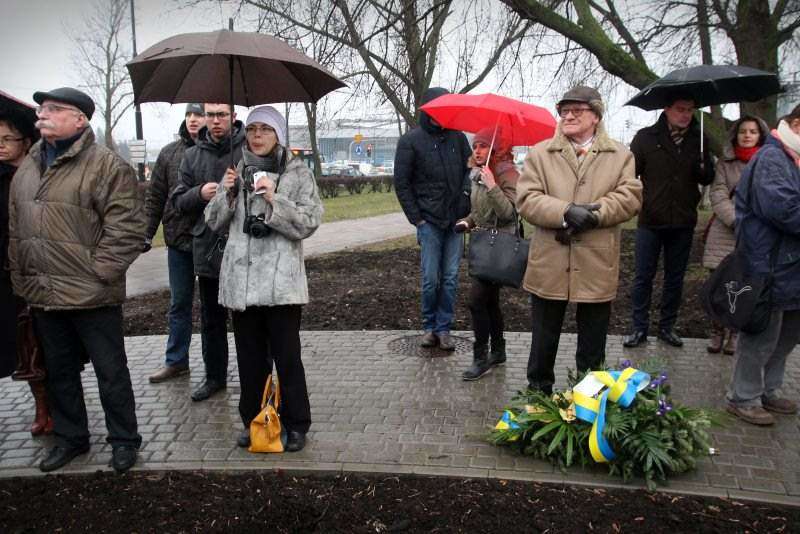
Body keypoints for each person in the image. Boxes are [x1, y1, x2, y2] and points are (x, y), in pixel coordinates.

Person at [8, 87, 145, 472]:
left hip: (92, 295)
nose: (42, 115)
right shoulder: (30, 165)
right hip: (43, 293)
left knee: (110, 373)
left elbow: (127, 228)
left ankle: (124, 440)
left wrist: (100, 273)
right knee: (59, 373)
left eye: (54, 109)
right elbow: (16, 227)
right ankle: (71, 439)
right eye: (41, 109)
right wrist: (22, 278)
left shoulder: (106, 165)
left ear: (80, 119)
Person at [205, 106, 321, 452]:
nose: (257, 136)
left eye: (265, 130)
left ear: (278, 135)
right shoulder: (236, 169)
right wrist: (226, 194)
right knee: (250, 360)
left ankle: (296, 422)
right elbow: (212, 221)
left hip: (281, 286)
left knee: (288, 358)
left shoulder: (298, 172)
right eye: (252, 129)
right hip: (242, 283)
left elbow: (309, 221)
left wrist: (274, 198)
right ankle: (253, 419)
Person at [516, 86, 642, 395]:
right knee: (543, 337)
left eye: (577, 110)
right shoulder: (540, 153)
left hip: (597, 261)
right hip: (550, 260)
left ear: (596, 116)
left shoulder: (621, 155)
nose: (568, 116)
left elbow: (629, 197)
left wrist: (595, 215)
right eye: (564, 111)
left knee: (593, 342)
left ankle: (589, 397)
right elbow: (527, 199)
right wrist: (565, 212)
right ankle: (538, 395)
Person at [725, 104, 800, 426]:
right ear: (796, 125)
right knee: (761, 335)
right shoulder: (772, 158)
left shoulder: (792, 158)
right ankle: (743, 396)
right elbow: (784, 210)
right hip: (769, 265)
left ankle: (768, 388)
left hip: (789, 266)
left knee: (787, 336)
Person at [623, 94, 714, 348]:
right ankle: (638, 328)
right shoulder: (645, 138)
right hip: (651, 220)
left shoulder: (699, 139)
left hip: (683, 220)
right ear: (667, 109)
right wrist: (637, 201)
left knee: (675, 278)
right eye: (680, 109)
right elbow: (629, 176)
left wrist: (705, 169)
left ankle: (667, 327)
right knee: (643, 277)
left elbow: (708, 178)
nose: (685, 115)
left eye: (690, 110)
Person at [171, 103, 245, 402]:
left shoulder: (247, 149)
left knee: (248, 320)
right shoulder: (191, 155)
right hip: (208, 247)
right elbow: (178, 201)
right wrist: (199, 192)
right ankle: (214, 376)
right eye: (211, 115)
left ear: (233, 117)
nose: (215, 121)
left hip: (243, 246)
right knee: (212, 320)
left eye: (221, 115)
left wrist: (238, 187)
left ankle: (256, 376)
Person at [394, 87, 471, 350]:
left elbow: (468, 171)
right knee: (431, 279)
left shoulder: (458, 138)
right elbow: (402, 183)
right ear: (427, 109)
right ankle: (429, 327)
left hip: (455, 221)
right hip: (428, 222)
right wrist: (417, 219)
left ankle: (443, 328)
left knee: (450, 278)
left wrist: (465, 195)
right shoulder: (410, 141)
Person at [144, 103, 206, 383]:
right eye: (189, 114)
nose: (193, 119)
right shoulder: (169, 153)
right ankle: (176, 361)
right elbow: (156, 196)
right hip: (178, 240)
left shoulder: (218, 151)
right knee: (179, 304)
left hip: (210, 241)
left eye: (199, 114)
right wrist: (147, 233)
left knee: (213, 309)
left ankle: (215, 367)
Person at [0, 107, 52, 436]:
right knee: (25, 347)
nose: (1, 145)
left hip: (43, 272)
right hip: (9, 277)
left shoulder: (41, 174)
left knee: (48, 344)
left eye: (8, 138)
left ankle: (56, 405)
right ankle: (42, 405)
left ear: (26, 141)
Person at [454, 126, 519, 380]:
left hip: (499, 248)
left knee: (476, 301)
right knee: (490, 301)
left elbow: (509, 213)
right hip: (483, 246)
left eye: (483, 145)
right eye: (475, 146)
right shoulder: (478, 173)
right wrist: (467, 222)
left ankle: (480, 359)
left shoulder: (507, 173)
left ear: (495, 148)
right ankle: (498, 350)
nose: (477, 151)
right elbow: (479, 212)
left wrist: (492, 185)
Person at [701, 115, 769, 355]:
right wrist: (736, 220)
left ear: (760, 135)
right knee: (719, 284)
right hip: (724, 231)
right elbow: (718, 194)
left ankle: (734, 333)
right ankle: (717, 331)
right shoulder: (725, 163)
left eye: (753, 131)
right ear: (735, 135)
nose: (747, 135)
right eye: (743, 131)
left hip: (755, 233)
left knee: (744, 285)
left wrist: (752, 222)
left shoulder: (768, 163)